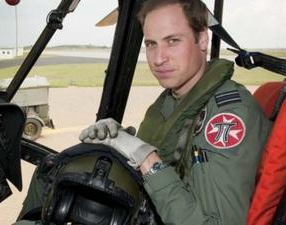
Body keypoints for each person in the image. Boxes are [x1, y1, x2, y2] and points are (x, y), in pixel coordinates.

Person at [15, 0, 271, 224]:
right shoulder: (173, 99)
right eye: (151, 44)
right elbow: (169, 156)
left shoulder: (225, 116)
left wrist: (144, 156)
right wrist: (116, 142)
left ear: (202, 39)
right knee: (52, 174)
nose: (158, 58)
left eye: (172, 41)